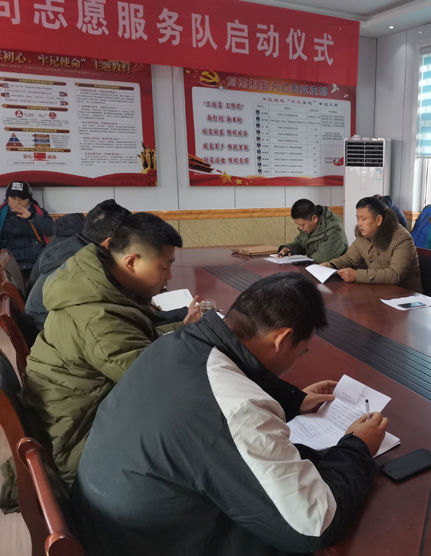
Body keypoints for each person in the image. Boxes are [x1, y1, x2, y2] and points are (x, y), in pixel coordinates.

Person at [70, 273, 388, 556]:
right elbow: (311, 524)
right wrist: (357, 448)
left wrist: (293, 400)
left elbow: (211, 389)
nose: (300, 359)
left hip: (105, 525)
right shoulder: (238, 406)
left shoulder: (174, 342)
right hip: (153, 542)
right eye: (302, 352)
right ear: (282, 339)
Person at [20, 212, 202, 488]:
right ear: (131, 262)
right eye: (165, 267)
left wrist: (183, 328)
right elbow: (157, 383)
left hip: (73, 421)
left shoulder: (94, 286)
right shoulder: (99, 318)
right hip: (77, 446)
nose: (169, 276)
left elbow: (134, 343)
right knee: (199, 433)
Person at [25, 200, 131, 332]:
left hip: (41, 322)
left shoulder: (75, 245)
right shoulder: (84, 262)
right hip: (45, 328)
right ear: (109, 243)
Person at [323, 197, 422, 293]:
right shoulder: (363, 235)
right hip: (378, 290)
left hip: (405, 295)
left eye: (363, 219)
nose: (359, 223)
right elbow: (349, 258)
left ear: (378, 220)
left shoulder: (401, 238)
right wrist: (331, 265)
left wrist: (357, 275)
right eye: (357, 218)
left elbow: (394, 274)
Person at [0, 181, 54, 283]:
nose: (17, 202)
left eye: (22, 198)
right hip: (10, 263)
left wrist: (32, 217)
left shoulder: (38, 212)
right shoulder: (1, 214)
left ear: (29, 199)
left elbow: (51, 229)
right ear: (8, 198)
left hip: (36, 261)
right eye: (13, 198)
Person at [277, 199, 348, 263]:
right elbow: (300, 244)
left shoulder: (334, 228)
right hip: (315, 268)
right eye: (298, 225)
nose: (300, 228)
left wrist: (304, 259)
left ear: (314, 218)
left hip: (335, 271)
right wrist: (288, 248)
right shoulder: (308, 227)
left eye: (302, 225)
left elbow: (324, 257)